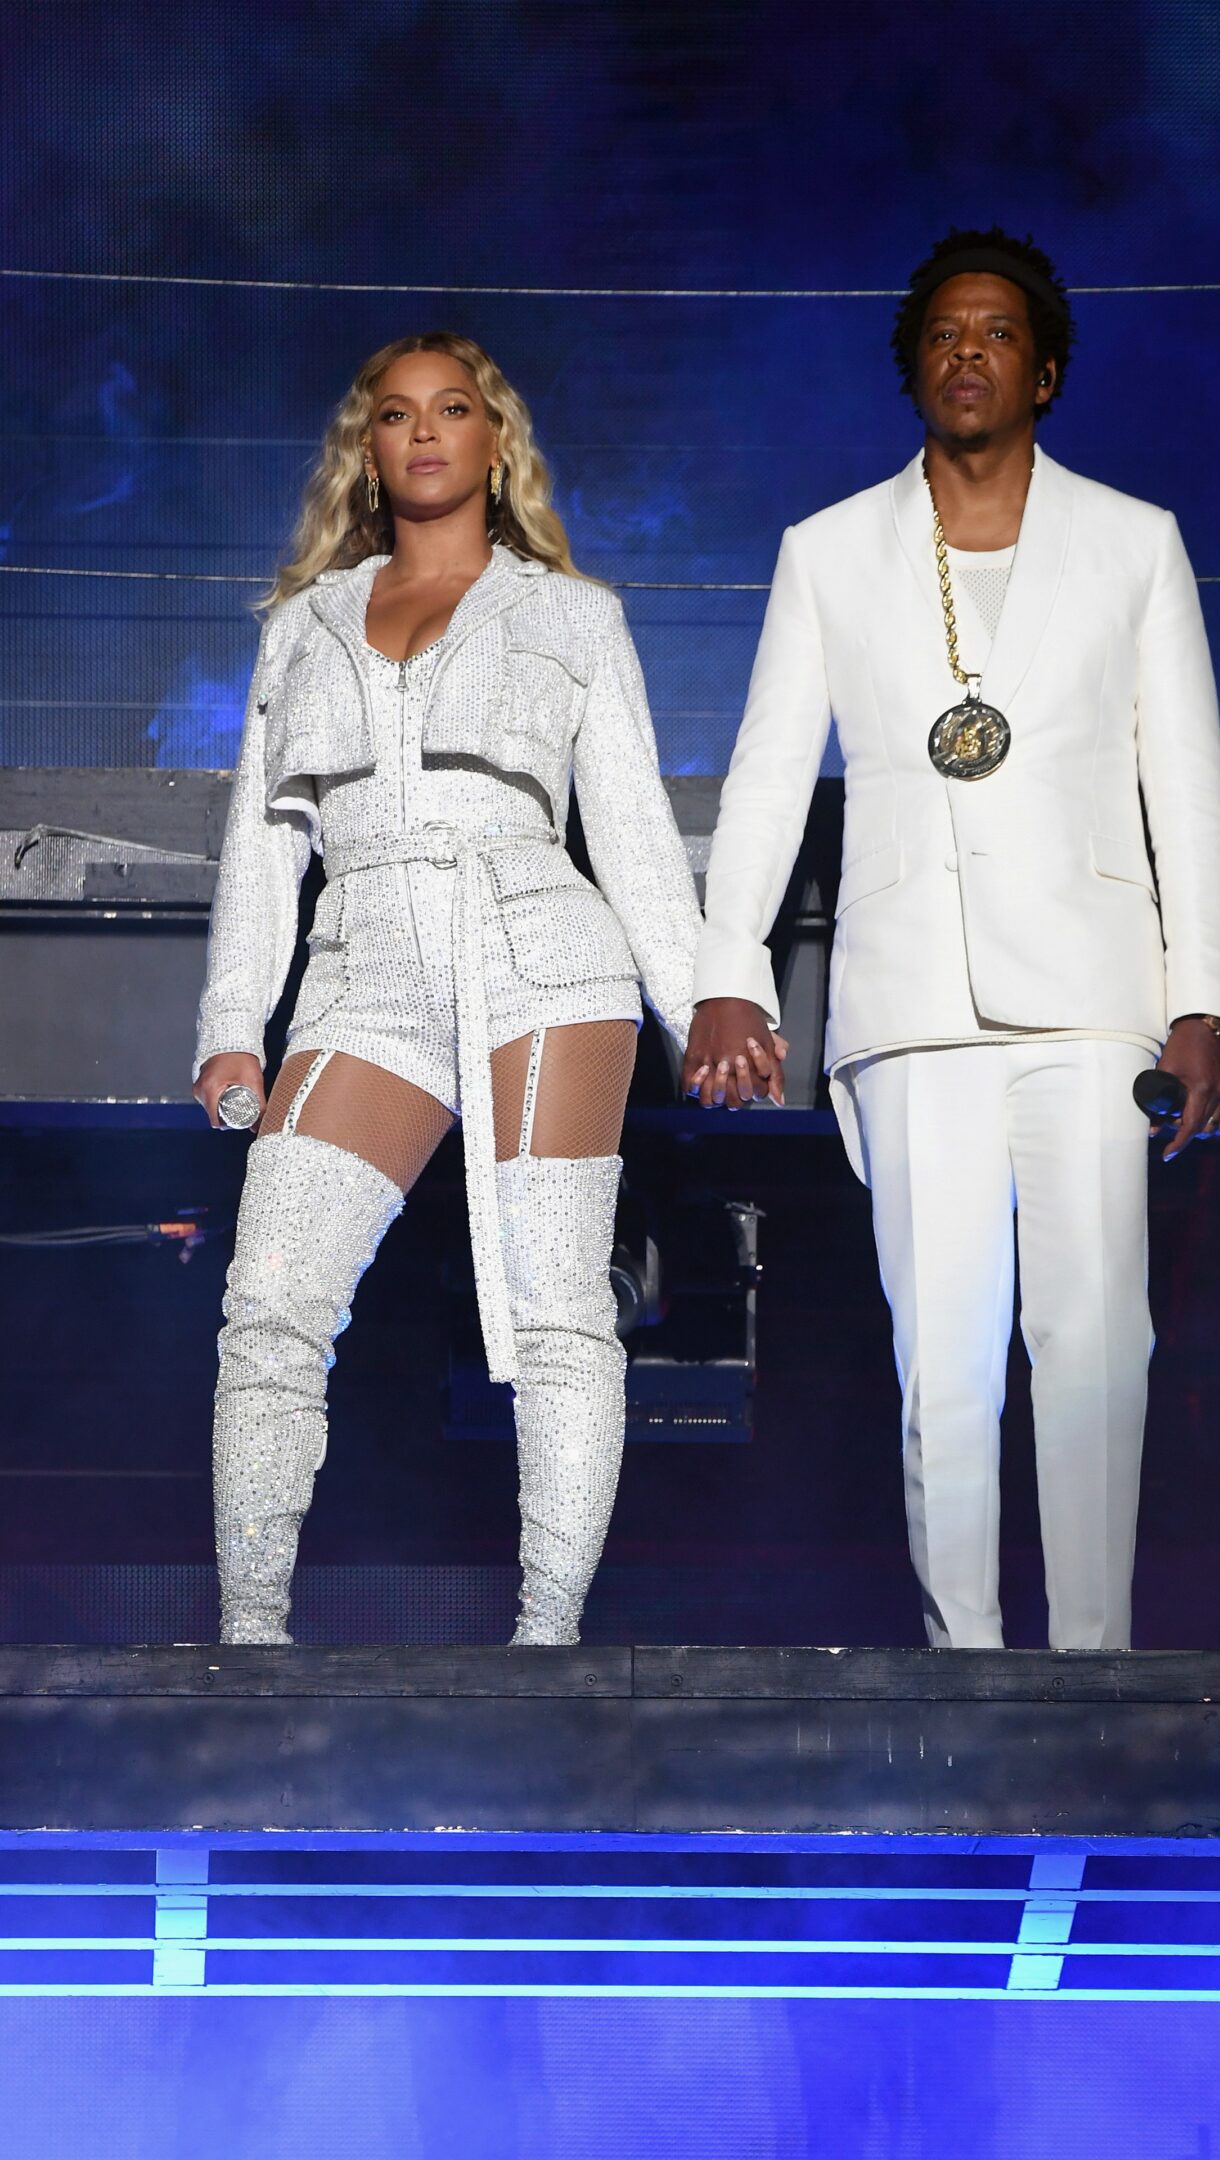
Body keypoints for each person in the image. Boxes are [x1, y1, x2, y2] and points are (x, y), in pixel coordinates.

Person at [684, 228, 1220, 1652]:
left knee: (1100, 1344)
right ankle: (969, 1675)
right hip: (912, 1006)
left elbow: (1184, 784)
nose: (969, 352)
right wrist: (729, 975)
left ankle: (1097, 1666)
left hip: (1094, 1003)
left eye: (997, 333)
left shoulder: (1136, 543)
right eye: (944, 334)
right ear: (913, 368)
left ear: (1044, 370)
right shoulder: (827, 552)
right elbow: (761, 781)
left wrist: (1205, 1007)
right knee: (943, 1363)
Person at [194, 332, 699, 1647]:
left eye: (453, 409)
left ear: (494, 442)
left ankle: (547, 1648)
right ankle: (250, 1641)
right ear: (367, 448)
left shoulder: (572, 617)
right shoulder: (299, 628)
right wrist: (231, 1027)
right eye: (396, 414)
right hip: (359, 960)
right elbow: (264, 847)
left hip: (536, 943)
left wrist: (705, 1005)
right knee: (270, 1305)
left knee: (556, 1311)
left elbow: (635, 839)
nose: (424, 432)